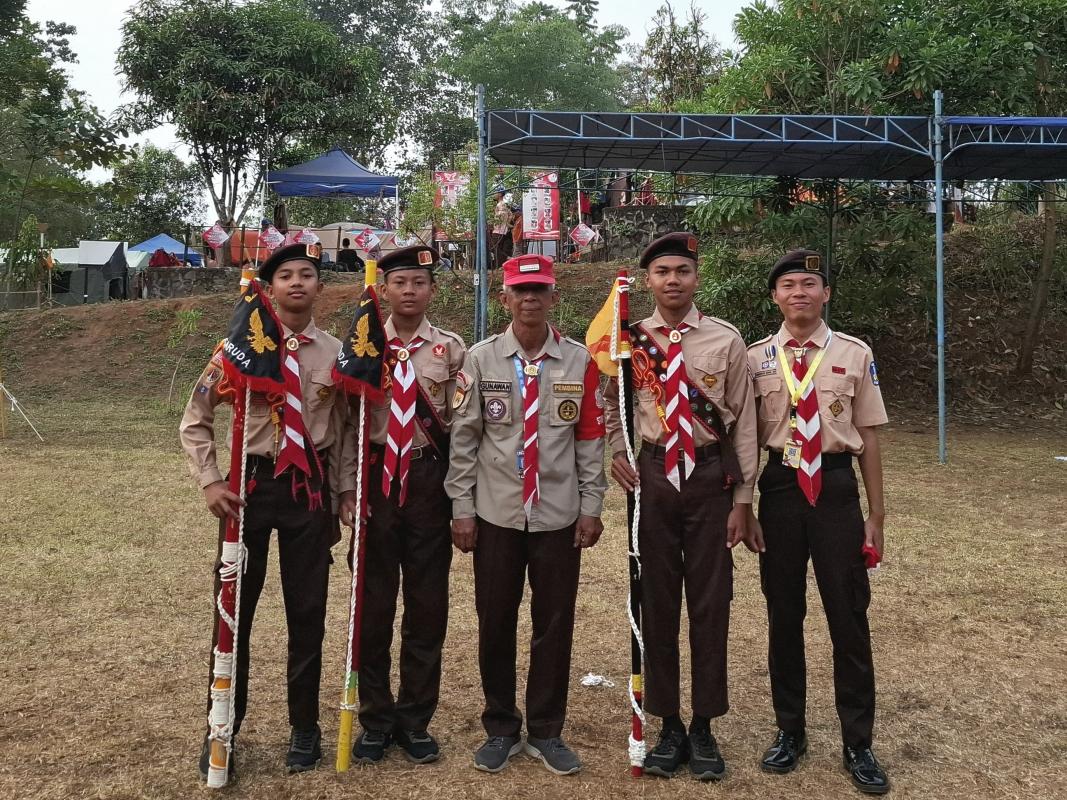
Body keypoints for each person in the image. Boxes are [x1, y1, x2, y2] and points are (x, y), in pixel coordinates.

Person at [180, 242, 346, 782]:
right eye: (285, 275)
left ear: (319, 286)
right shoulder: (240, 347)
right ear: (269, 288)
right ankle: (222, 725)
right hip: (249, 486)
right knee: (234, 612)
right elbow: (195, 417)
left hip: (309, 488)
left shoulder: (338, 353)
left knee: (307, 611)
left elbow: (344, 430)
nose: (297, 282)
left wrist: (343, 493)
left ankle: (305, 728)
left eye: (307, 274)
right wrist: (211, 480)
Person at [604, 232, 758, 781]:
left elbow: (744, 422)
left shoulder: (725, 339)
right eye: (663, 271)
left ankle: (704, 725)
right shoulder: (628, 339)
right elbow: (612, 404)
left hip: (710, 477)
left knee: (711, 603)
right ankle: (668, 723)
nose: (673, 280)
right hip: (653, 479)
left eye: (683, 271)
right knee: (658, 600)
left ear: (697, 277)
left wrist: (743, 498)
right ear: (648, 280)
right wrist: (617, 451)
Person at [445, 253, 607, 777]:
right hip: (496, 513)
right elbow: (465, 440)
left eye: (539, 290)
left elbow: (589, 440)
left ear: (553, 297)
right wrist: (462, 509)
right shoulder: (480, 360)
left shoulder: (579, 361)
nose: (530, 298)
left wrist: (591, 506)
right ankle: (500, 726)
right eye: (521, 290)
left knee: (554, 623)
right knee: (495, 620)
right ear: (505, 298)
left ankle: (546, 729)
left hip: (558, 515)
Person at [743, 249, 890, 795]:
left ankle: (858, 742)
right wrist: (744, 504)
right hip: (780, 488)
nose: (799, 293)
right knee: (784, 613)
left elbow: (868, 434)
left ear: (825, 294)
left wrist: (876, 514)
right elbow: (746, 438)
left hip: (834, 488)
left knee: (847, 616)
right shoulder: (756, 359)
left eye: (809, 283)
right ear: (775, 297)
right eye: (789, 285)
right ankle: (790, 730)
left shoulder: (854, 353)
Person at [337, 245, 467, 765]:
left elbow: (462, 428)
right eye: (400, 283)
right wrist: (348, 488)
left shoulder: (451, 349)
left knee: (426, 604)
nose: (409, 291)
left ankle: (415, 720)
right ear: (384, 290)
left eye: (419, 282)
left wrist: (459, 495)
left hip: (428, 478)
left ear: (432, 290)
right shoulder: (363, 344)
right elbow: (348, 424)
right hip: (376, 479)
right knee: (372, 604)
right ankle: (375, 718)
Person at [490, 189, 513, 269]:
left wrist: (498, 222)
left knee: (493, 247)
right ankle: (501, 266)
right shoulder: (503, 204)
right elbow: (510, 214)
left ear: (500, 194)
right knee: (498, 249)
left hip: (498, 230)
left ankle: (507, 258)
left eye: (495, 193)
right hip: (502, 229)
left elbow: (502, 215)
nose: (494, 195)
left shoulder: (501, 204)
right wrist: (507, 224)